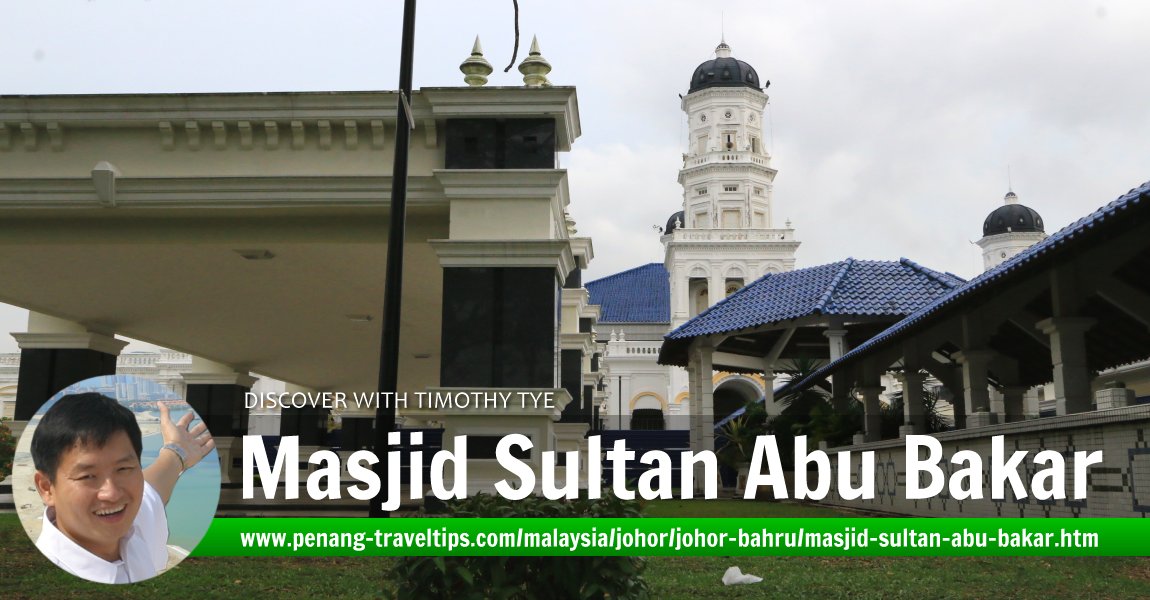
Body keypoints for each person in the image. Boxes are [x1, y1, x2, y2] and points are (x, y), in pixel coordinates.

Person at [30, 393, 215, 584]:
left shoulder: (131, 526)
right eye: (87, 476)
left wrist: (177, 450)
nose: (112, 493)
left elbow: (153, 488)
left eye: (123, 469)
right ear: (46, 488)